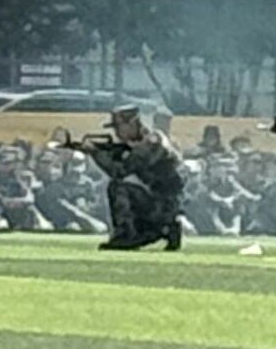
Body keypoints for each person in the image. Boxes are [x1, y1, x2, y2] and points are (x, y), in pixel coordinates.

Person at [73, 107, 190, 254]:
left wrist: (96, 153)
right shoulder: (146, 142)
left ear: (133, 124)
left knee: (117, 187)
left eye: (118, 127)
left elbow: (119, 172)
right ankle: (165, 228)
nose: (116, 132)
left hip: (164, 204)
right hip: (163, 202)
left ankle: (127, 234)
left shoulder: (151, 142)